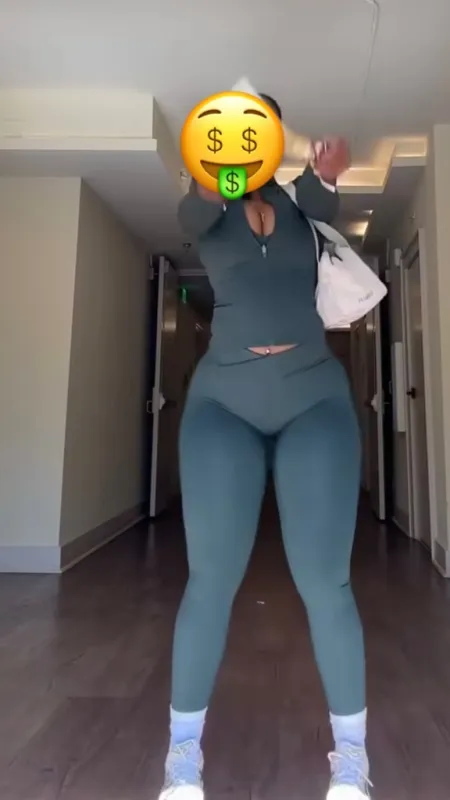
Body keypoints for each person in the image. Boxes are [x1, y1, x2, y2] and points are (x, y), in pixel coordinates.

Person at [159, 95, 371, 800]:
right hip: (224, 405)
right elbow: (191, 213)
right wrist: (213, 165)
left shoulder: (300, 201)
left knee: (325, 581)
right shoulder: (210, 199)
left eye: (257, 129)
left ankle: (353, 760)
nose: (244, 140)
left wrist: (329, 170)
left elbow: (323, 198)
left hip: (314, 400)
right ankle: (182, 759)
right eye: (232, 131)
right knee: (211, 580)